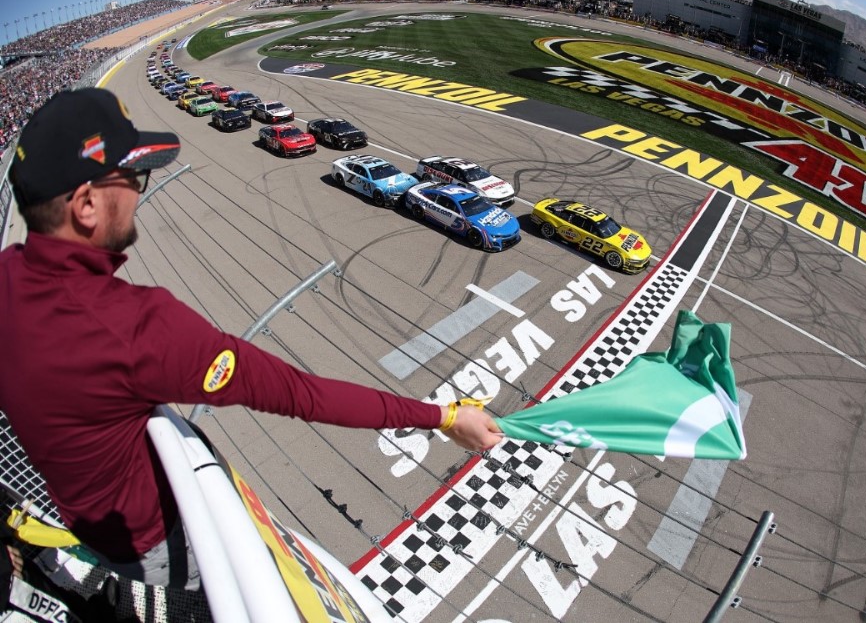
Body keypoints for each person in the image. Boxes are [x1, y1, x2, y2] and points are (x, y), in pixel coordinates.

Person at [0, 87, 503, 590]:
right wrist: (443, 417)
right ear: (87, 205)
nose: (139, 189)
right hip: (163, 541)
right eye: (134, 176)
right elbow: (303, 395)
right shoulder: (134, 327)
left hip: (85, 519)